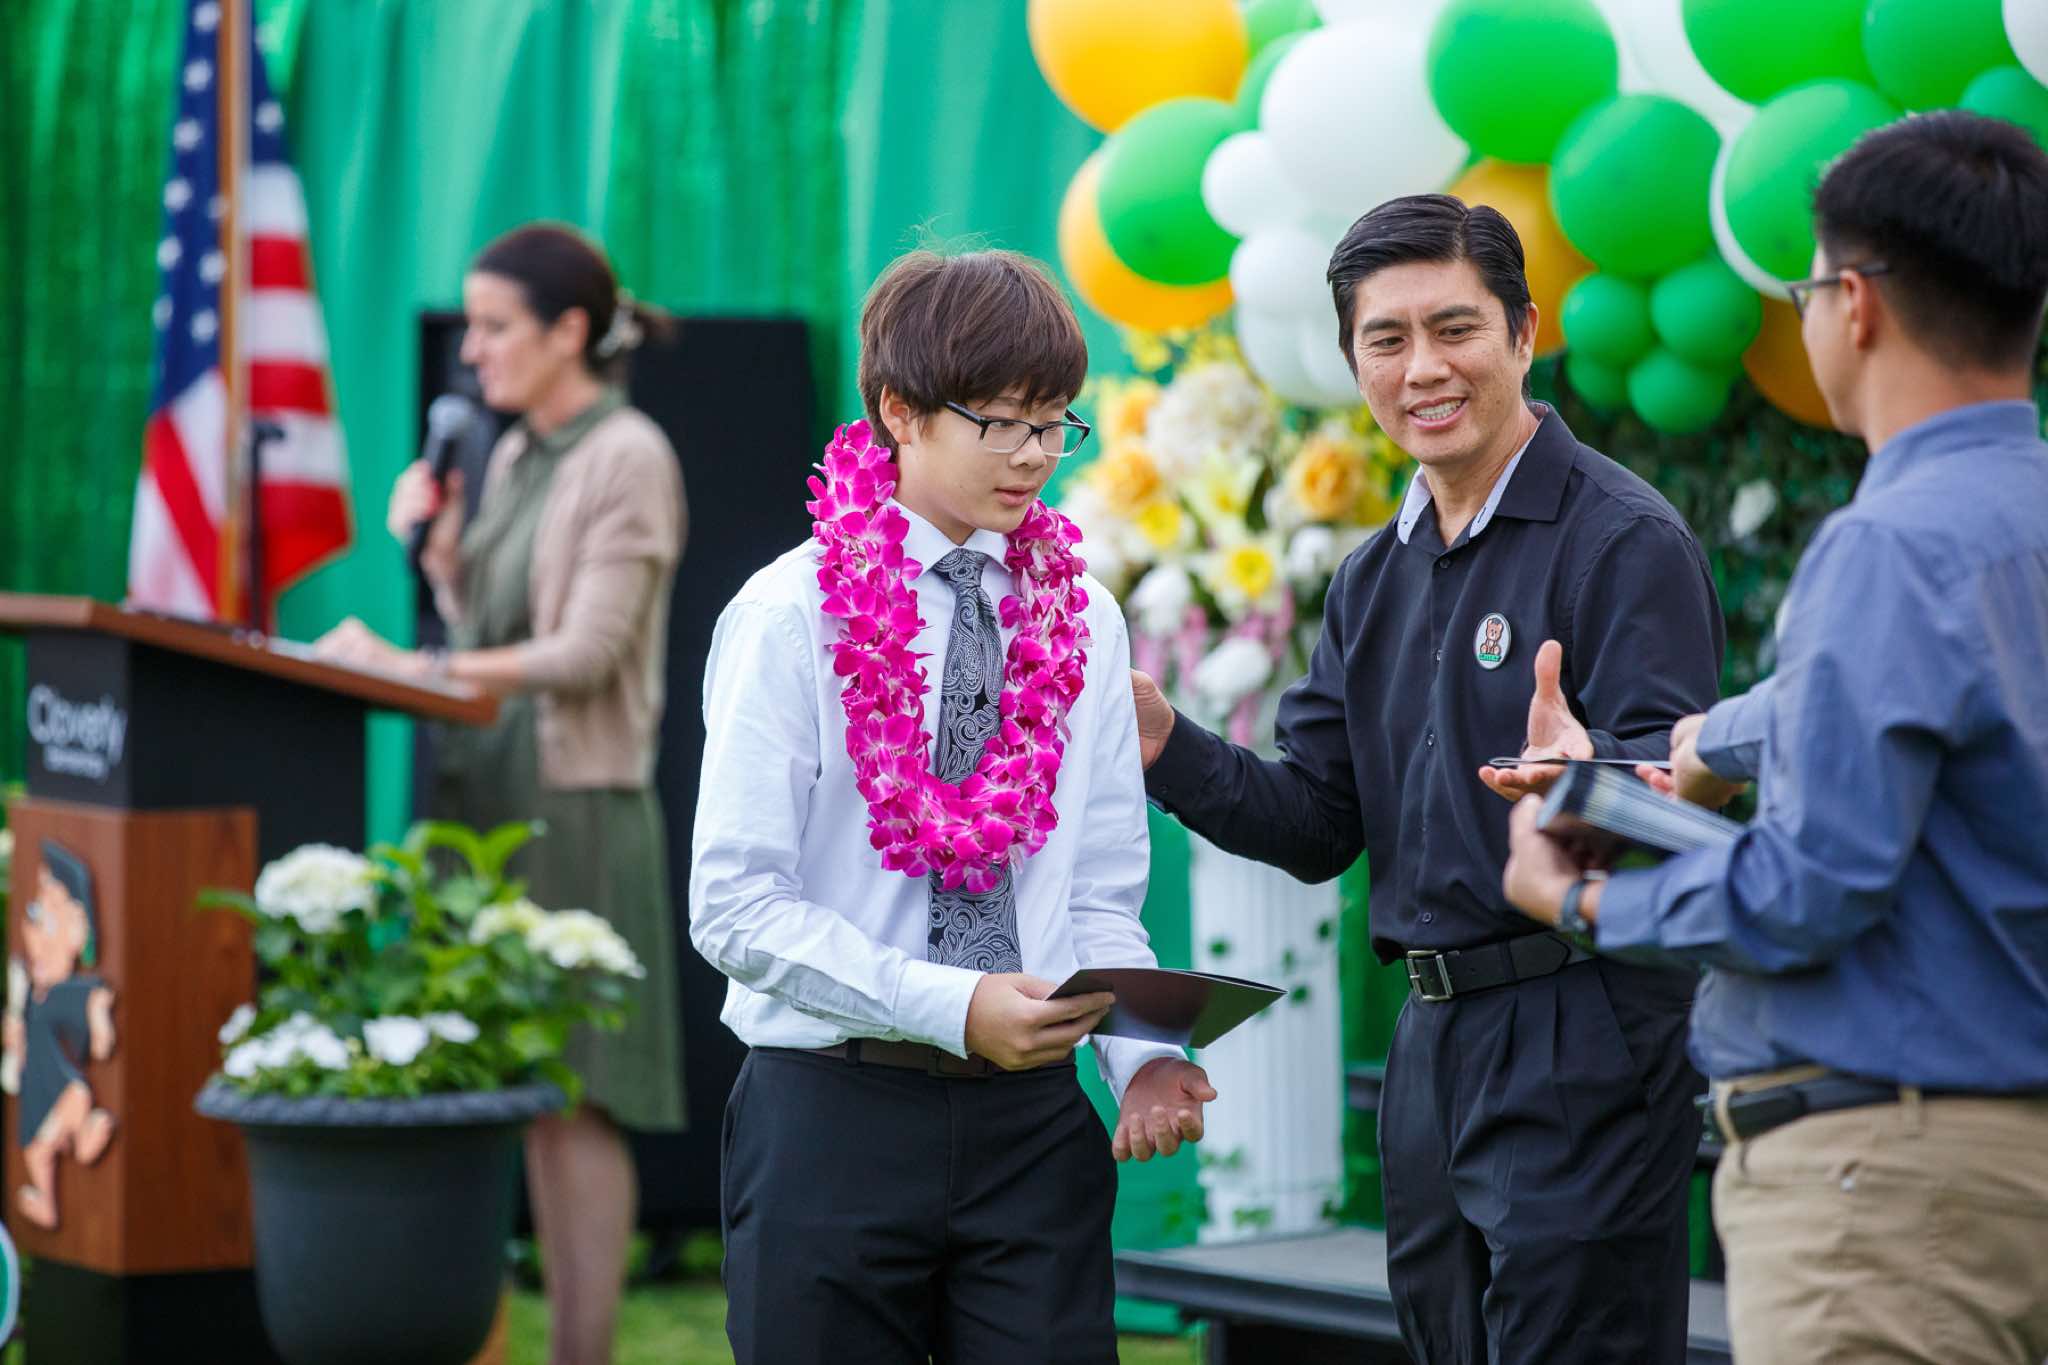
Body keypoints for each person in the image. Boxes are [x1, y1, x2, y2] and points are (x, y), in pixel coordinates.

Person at [1131, 194, 1723, 1363]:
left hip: (1582, 1026)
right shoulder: (1371, 576)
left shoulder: (1621, 540)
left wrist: (1592, 784)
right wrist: (1165, 745)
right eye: (1385, 340)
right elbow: (1316, 822)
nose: (1422, 369)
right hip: (1431, 1040)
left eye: (1454, 329)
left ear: (1522, 332)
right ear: (1352, 361)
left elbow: (1682, 791)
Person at [1503, 110, 2048, 1365]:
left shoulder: (1887, 543)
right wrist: (1719, 738)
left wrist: (1577, 900)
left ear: (1852, 304)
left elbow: (1810, 886)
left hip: (1886, 1190)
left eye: (1802, 291)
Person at [689, 248, 1216, 1365]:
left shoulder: (1083, 616)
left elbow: (1098, 892)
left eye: (1057, 425)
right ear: (900, 410)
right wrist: (949, 1003)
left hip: (1030, 1126)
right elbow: (734, 906)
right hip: (834, 1110)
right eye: (1003, 423)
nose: (1035, 458)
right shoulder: (790, 614)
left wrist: (1142, 1057)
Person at [316, 222, 687, 1365]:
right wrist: (435, 555)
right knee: (503, 1088)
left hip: (573, 807)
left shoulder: (627, 455)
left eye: (493, 327)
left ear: (569, 331)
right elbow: (490, 627)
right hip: (479, 793)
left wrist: (409, 666)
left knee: (572, 1100)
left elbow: (582, 654)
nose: (469, 351)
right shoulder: (515, 448)